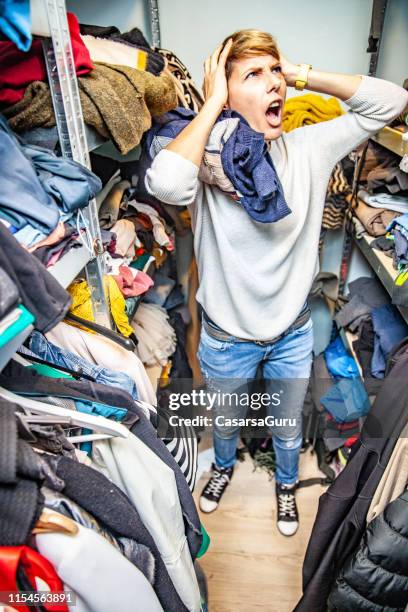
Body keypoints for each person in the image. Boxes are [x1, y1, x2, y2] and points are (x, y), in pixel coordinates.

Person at [146, 30, 408, 536]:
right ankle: (222, 468)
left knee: (287, 429)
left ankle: (286, 485)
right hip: (226, 339)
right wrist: (212, 104)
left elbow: (393, 102)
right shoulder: (206, 161)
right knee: (225, 422)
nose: (273, 85)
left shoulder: (309, 146)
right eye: (253, 75)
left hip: (291, 333)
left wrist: (298, 72)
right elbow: (166, 184)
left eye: (274, 73)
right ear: (224, 92)